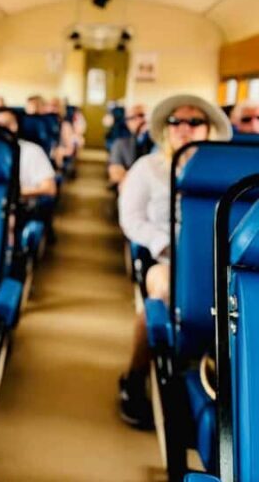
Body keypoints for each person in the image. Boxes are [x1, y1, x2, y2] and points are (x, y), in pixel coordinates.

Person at [117, 94, 231, 429]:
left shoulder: (226, 172)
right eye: (176, 122)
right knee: (163, 289)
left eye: (195, 122)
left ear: (208, 129)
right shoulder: (147, 169)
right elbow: (131, 218)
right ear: (166, 130)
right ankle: (134, 377)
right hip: (167, 258)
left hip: (221, 260)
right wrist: (164, 245)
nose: (185, 128)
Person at [0, 109, 56, 198]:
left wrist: (14, 193)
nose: (3, 128)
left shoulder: (32, 150)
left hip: (20, 203)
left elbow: (49, 188)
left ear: (18, 126)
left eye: (8, 124)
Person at [108, 103, 153, 187]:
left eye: (141, 115)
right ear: (127, 122)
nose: (139, 120)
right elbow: (115, 173)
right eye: (132, 118)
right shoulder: (120, 144)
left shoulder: (160, 143)